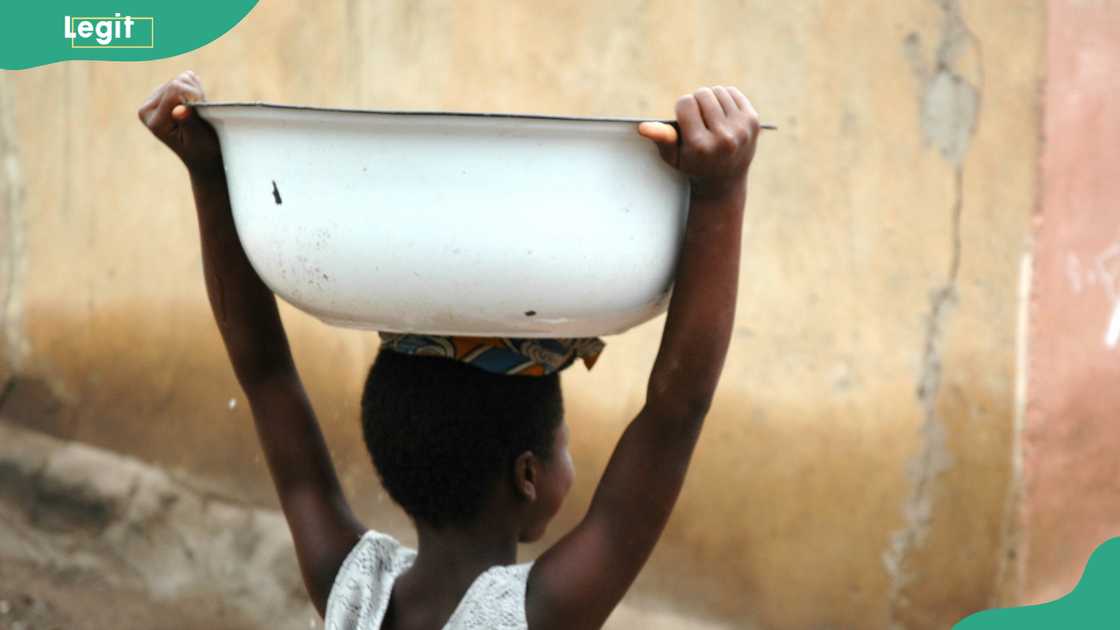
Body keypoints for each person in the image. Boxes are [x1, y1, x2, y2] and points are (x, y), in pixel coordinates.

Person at [138, 71, 761, 630]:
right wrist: (720, 193)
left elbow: (267, 374)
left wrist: (210, 174)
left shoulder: (352, 589)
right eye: (562, 442)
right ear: (527, 475)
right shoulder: (535, 614)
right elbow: (674, 415)